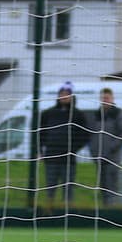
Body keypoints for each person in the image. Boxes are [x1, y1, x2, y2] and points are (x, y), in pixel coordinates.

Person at [38, 82, 92, 210]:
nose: (64, 97)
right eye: (61, 94)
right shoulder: (48, 114)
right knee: (50, 185)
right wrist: (40, 150)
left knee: (68, 185)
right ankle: (49, 208)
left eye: (67, 95)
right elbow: (41, 133)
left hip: (68, 157)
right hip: (51, 155)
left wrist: (73, 149)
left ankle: (67, 208)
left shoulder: (78, 115)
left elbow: (85, 134)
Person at [89, 86, 122, 207]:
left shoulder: (119, 114)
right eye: (102, 98)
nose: (104, 100)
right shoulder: (96, 114)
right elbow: (91, 133)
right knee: (102, 184)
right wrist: (93, 149)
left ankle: (113, 207)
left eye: (107, 98)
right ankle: (104, 207)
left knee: (112, 183)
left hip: (113, 157)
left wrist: (113, 147)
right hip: (98, 156)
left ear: (112, 99)